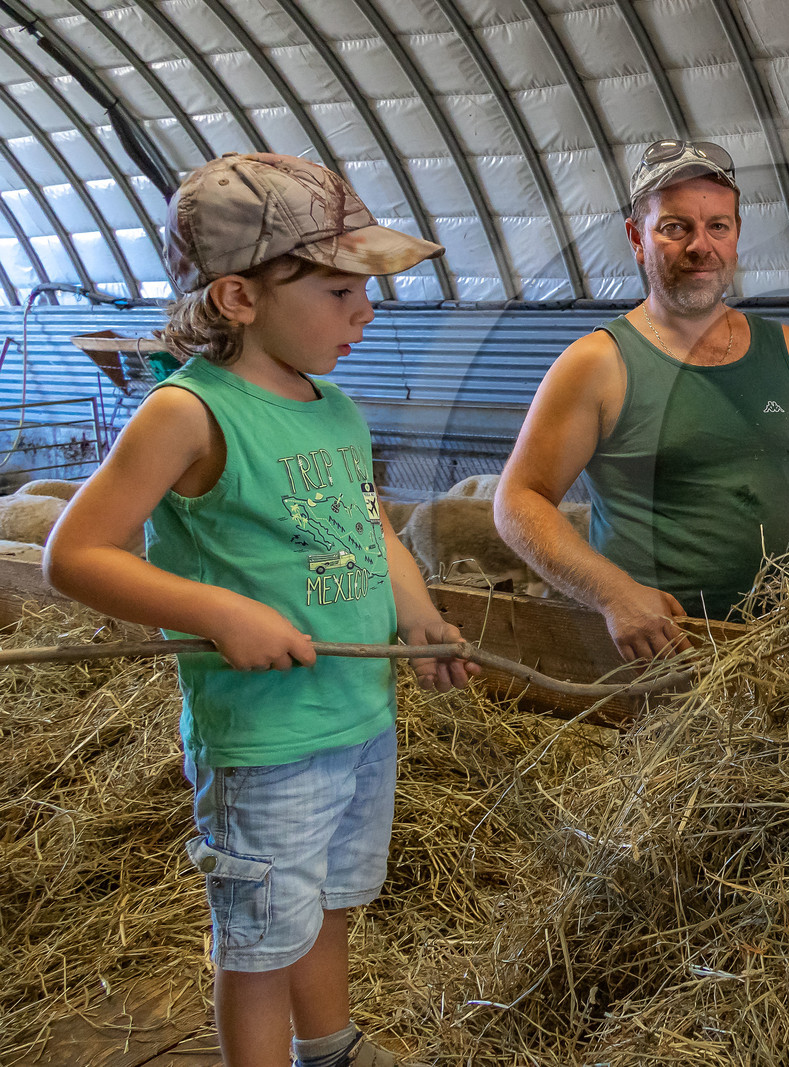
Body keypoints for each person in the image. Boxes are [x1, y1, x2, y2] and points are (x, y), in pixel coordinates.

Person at [43, 153, 476, 1067]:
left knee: (328, 905)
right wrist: (220, 612)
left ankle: (332, 1049)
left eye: (366, 287)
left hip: (360, 714)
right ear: (239, 298)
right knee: (258, 943)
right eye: (336, 289)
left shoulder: (334, 408)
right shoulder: (189, 413)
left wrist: (420, 616)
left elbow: (368, 528)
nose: (364, 310)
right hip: (267, 744)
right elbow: (73, 554)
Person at [494, 139, 789, 661]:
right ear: (636, 237)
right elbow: (518, 501)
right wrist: (614, 596)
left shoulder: (788, 351)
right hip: (661, 657)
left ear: (736, 235)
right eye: (675, 227)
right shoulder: (597, 364)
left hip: (785, 647)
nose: (701, 245)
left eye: (718, 225)